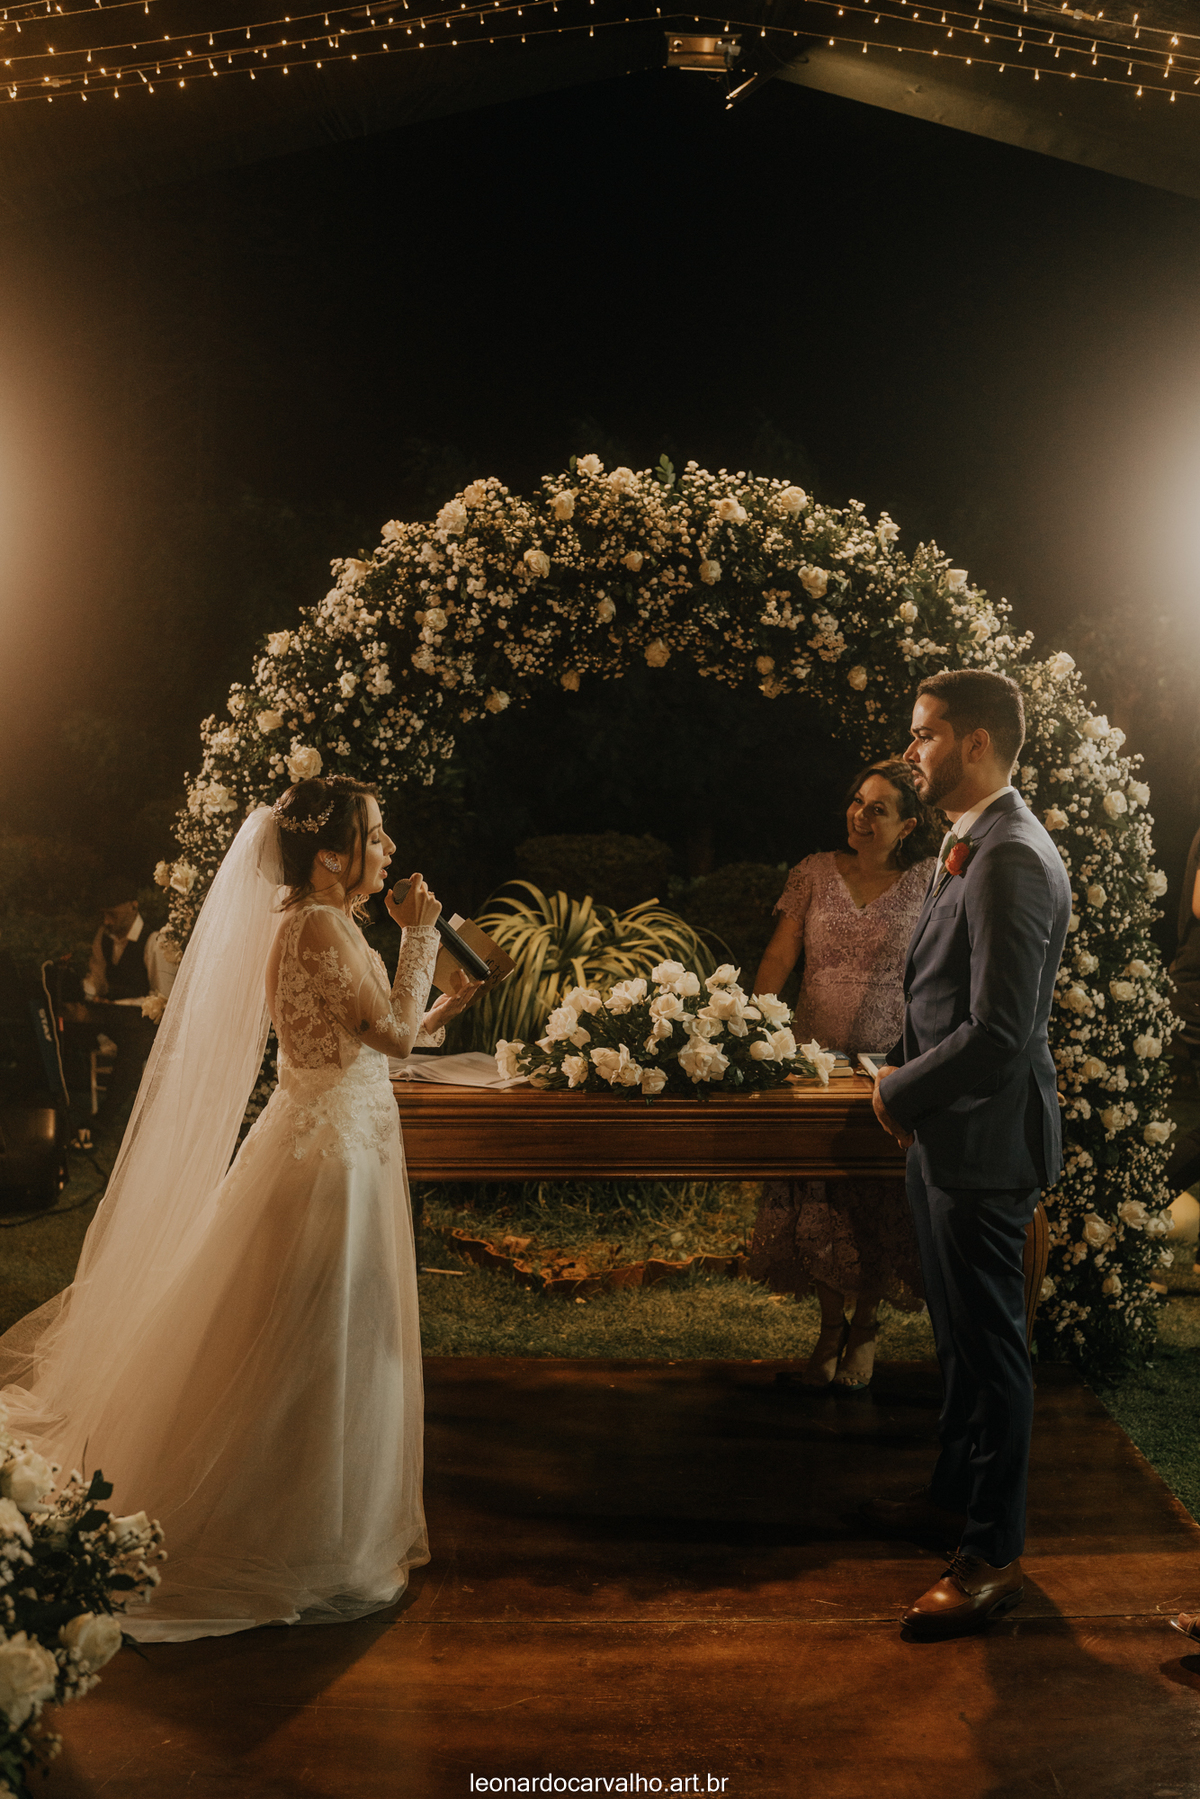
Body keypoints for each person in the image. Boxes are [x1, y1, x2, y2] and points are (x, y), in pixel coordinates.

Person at [0, 775, 478, 1641]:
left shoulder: (324, 923)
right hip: (328, 1160)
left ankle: (324, 1521)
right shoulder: (319, 926)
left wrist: (445, 998)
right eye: (375, 834)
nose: (389, 849)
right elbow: (391, 1035)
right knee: (317, 1340)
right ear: (329, 854)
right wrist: (420, 936)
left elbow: (373, 1038)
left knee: (332, 1338)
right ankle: (292, 1532)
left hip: (344, 1139)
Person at [866, 669, 1071, 1639]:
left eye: (926, 733)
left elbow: (998, 1031)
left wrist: (896, 1091)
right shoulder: (973, 840)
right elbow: (943, 991)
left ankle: (992, 1555)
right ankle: (952, 1498)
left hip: (984, 1142)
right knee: (958, 1343)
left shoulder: (1011, 856)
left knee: (992, 1356)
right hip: (946, 1137)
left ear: (977, 742)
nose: (912, 750)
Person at [747, 761, 940, 1389]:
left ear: (907, 825)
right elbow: (780, 954)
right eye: (857, 801)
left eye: (878, 808)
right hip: (814, 1057)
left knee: (875, 1196)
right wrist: (755, 1030)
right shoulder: (812, 872)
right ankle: (830, 1327)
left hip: (889, 1060)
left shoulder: (927, 881)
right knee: (818, 1193)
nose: (860, 815)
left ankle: (866, 1326)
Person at [61, 877, 180, 1134]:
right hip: (110, 1019)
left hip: (143, 1023)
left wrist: (117, 1003)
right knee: (64, 1024)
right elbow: (96, 979)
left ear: (132, 907)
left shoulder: (153, 940)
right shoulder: (104, 938)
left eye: (112, 914)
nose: (106, 921)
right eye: (104, 915)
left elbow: (162, 998)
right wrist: (86, 993)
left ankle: (104, 1117)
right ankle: (59, 1109)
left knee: (135, 1041)